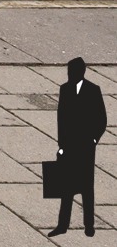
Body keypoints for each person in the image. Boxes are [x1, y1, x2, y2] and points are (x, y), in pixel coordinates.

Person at [55, 57, 106, 237]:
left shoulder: (93, 90)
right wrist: (61, 145)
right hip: (69, 146)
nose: (69, 75)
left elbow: (101, 119)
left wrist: (94, 140)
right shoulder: (65, 89)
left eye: (72, 71)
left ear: (80, 72)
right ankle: (62, 225)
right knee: (66, 188)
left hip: (85, 147)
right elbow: (61, 119)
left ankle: (89, 226)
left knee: (86, 189)